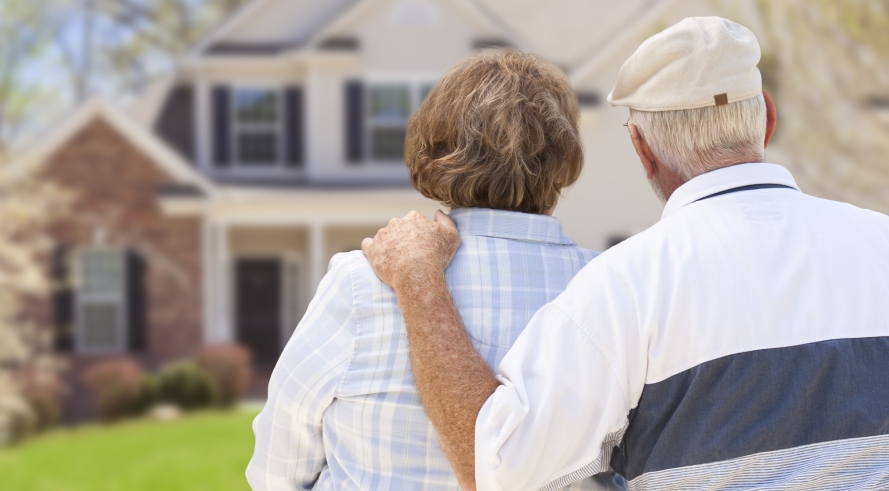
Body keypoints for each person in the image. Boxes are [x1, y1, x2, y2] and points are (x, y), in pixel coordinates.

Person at [361, 17, 889, 491]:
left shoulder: (628, 284)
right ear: (765, 119)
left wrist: (420, 280)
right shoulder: (888, 246)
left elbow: (495, 469)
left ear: (642, 151)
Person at [247, 49, 622, 490]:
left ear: (436, 153)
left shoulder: (362, 282)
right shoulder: (610, 291)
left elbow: (278, 464)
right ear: (562, 164)